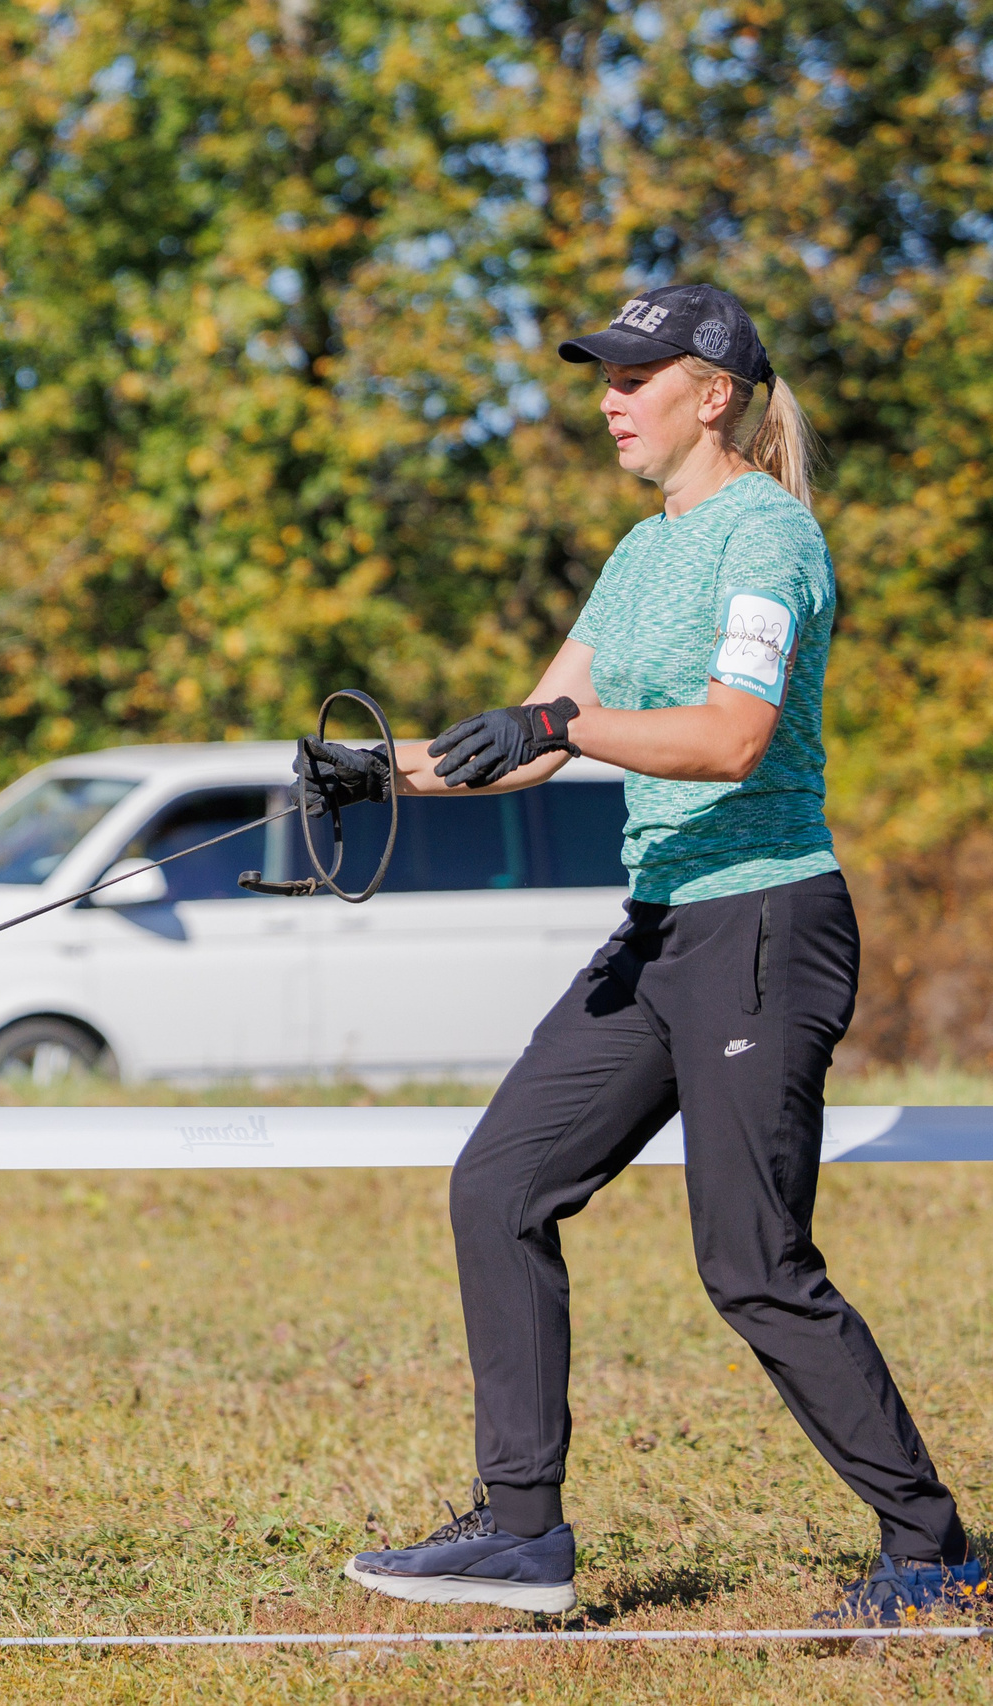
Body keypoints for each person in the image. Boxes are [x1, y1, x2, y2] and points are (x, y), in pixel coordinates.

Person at [301, 283, 980, 1623]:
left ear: (712, 393)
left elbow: (726, 737)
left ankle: (939, 1551)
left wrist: (558, 721)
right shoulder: (641, 550)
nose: (608, 398)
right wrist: (382, 772)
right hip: (662, 926)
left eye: (633, 375)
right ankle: (520, 1533)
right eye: (604, 377)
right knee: (499, 1186)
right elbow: (541, 731)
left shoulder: (765, 539)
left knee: (752, 1266)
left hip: (764, 923)